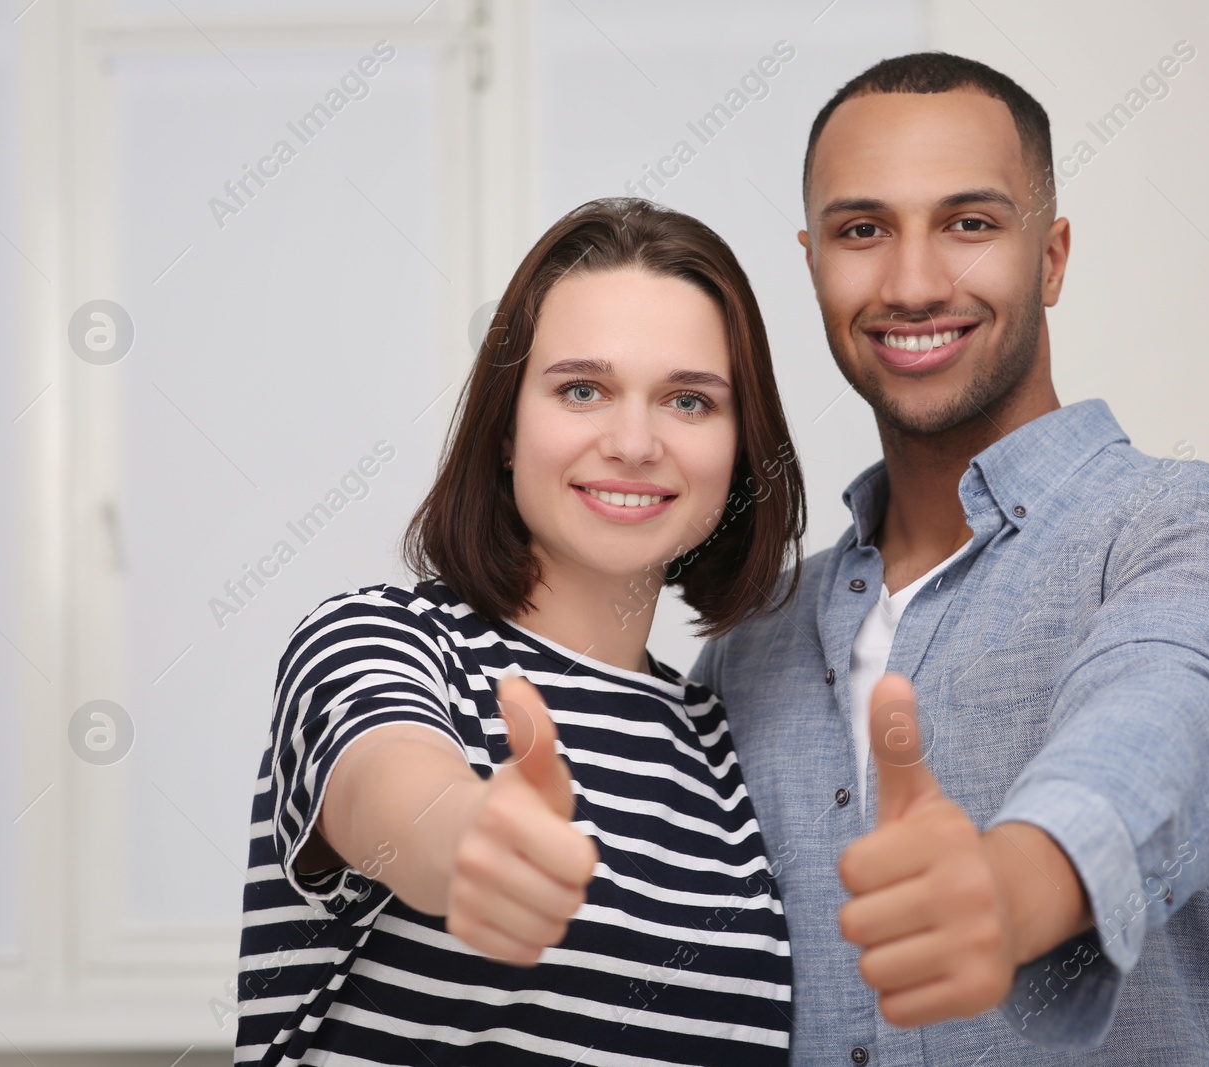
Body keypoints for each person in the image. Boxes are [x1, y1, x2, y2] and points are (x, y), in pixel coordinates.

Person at [691, 53, 1209, 1066]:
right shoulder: (747, 649)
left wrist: (1011, 884)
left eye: (969, 223)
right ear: (814, 259)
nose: (911, 283)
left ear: (1050, 256)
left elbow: (1168, 719)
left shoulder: (1203, 539)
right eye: (863, 230)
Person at [235, 198, 808, 1064]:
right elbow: (385, 787)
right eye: (584, 389)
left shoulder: (721, 746)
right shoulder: (380, 640)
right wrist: (469, 835)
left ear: (738, 453)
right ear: (506, 426)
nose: (633, 441)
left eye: (689, 401)